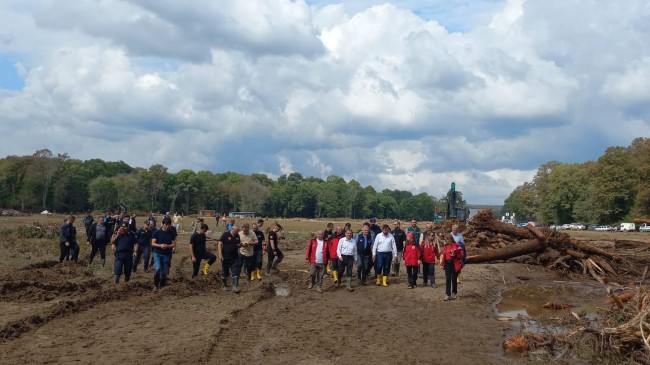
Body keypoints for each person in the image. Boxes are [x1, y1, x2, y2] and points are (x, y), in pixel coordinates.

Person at [151, 216, 177, 291]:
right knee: (158, 269)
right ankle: (155, 285)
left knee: (164, 273)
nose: (167, 226)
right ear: (162, 224)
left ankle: (162, 286)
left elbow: (173, 244)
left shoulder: (171, 233)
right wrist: (160, 245)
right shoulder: (157, 232)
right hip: (157, 253)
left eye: (169, 224)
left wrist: (168, 246)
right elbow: (153, 243)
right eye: (166, 224)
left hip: (167, 254)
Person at [218, 225, 242, 293]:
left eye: (238, 231)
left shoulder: (237, 236)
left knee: (235, 272)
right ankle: (224, 285)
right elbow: (219, 244)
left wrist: (240, 245)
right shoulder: (225, 234)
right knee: (225, 272)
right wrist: (220, 254)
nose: (237, 232)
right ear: (233, 229)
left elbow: (238, 244)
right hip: (225, 257)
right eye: (236, 231)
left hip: (234, 257)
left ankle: (234, 287)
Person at [441, 233, 464, 301]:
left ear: (450, 239)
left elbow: (461, 255)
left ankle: (454, 292)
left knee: (454, 279)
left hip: (454, 264)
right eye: (445, 240)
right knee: (448, 279)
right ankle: (447, 294)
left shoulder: (457, 246)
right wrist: (442, 264)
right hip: (447, 264)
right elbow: (444, 256)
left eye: (446, 239)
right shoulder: (446, 247)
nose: (445, 241)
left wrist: (455, 255)